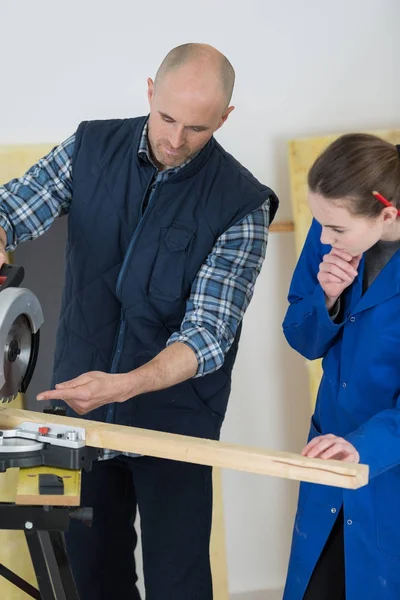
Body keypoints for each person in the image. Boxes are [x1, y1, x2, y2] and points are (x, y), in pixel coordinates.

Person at [0, 43, 278, 599]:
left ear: (225, 118)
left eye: (197, 128)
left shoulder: (244, 203)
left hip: (175, 420)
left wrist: (125, 386)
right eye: (167, 118)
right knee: (77, 575)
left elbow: (208, 335)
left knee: (179, 582)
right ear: (150, 91)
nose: (175, 141)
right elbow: (15, 205)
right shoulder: (90, 144)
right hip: (69, 399)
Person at [282, 133, 400, 600]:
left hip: (388, 462)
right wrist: (325, 297)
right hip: (328, 452)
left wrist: (363, 445)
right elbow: (300, 335)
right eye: (319, 224)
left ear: (387, 215)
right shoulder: (334, 220)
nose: (324, 239)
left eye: (336, 231)